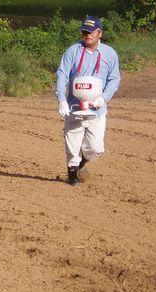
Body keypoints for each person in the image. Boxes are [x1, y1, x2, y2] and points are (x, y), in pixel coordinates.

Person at [55, 16, 121, 186]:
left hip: (97, 110)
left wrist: (103, 98)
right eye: (85, 32)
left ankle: (81, 163)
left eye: (91, 32)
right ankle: (73, 175)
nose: (87, 35)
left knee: (95, 148)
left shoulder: (109, 53)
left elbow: (114, 79)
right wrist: (61, 99)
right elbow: (62, 74)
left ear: (100, 33)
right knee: (72, 143)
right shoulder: (73, 51)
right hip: (74, 107)